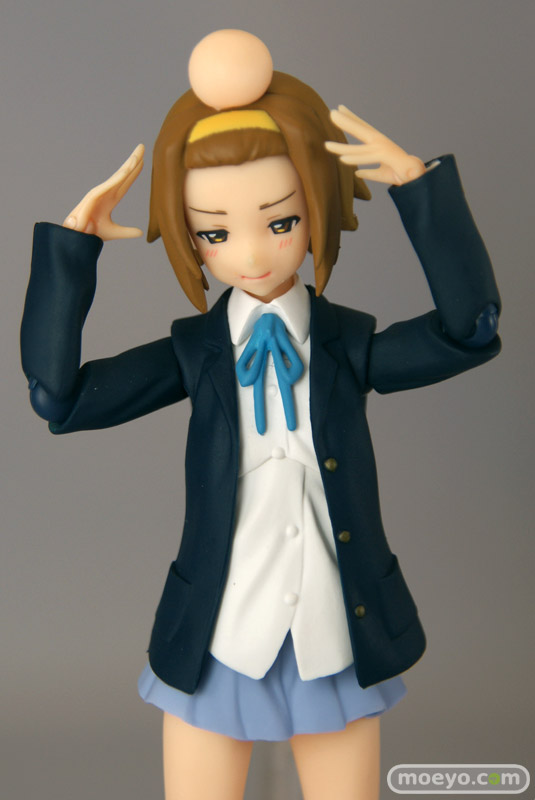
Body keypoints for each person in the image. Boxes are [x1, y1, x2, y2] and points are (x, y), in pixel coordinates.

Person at [21, 29, 501, 800]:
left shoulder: (347, 345)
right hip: (217, 633)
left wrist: (420, 191)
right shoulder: (195, 353)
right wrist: (70, 254)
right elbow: (61, 398)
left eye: (280, 221)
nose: (250, 255)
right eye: (215, 232)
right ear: (189, 236)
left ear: (317, 208)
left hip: (335, 630)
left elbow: (468, 331)